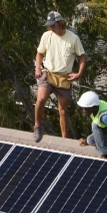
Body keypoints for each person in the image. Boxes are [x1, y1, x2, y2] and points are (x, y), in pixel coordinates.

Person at [33, 11, 87, 142]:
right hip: (48, 73)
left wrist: (79, 73)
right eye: (49, 26)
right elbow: (39, 53)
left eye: (53, 25)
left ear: (60, 23)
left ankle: (64, 139)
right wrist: (38, 67)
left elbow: (82, 57)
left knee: (62, 111)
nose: (51, 28)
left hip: (64, 78)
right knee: (40, 100)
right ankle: (37, 125)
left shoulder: (73, 38)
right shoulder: (47, 36)